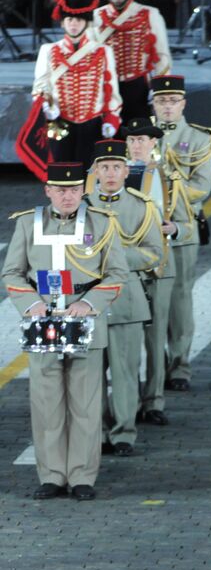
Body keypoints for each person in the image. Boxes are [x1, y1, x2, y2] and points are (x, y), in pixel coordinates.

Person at [2, 162, 128, 500]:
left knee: (86, 403)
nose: (67, 196)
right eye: (60, 189)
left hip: (85, 318)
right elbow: (12, 273)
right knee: (46, 403)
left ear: (83, 190)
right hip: (42, 323)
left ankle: (82, 476)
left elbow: (117, 272)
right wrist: (32, 304)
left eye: (73, 189)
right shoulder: (29, 223)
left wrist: (89, 304)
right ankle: (52, 475)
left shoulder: (102, 223)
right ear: (47, 191)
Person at [86, 139, 164, 456]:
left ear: (126, 169)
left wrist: (113, 259)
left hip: (125, 301)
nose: (111, 173)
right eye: (104, 167)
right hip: (87, 302)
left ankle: (123, 434)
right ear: (95, 171)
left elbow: (154, 255)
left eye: (117, 167)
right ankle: (100, 431)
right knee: (91, 374)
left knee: (124, 372)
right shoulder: (80, 205)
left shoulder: (141, 206)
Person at [151, 74, 211, 391]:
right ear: (153, 104)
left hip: (181, 228)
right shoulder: (139, 138)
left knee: (179, 301)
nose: (167, 107)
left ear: (183, 104)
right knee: (150, 303)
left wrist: (166, 187)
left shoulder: (199, 139)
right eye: (162, 101)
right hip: (145, 230)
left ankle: (179, 365)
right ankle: (154, 366)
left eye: (173, 101)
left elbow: (201, 189)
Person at [30, 0, 121, 168]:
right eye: (69, 19)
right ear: (62, 21)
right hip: (60, 121)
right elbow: (40, 85)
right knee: (60, 173)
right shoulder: (48, 50)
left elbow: (110, 89)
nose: (73, 24)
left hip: (92, 122)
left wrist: (111, 118)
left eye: (78, 20)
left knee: (89, 174)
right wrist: (45, 105)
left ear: (86, 22)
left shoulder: (103, 51)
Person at [123, 116, 175, 426]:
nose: (137, 145)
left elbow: (182, 216)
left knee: (155, 338)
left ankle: (153, 401)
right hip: (126, 267)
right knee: (123, 341)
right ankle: (124, 402)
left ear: (154, 142)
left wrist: (176, 228)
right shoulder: (112, 174)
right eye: (132, 140)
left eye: (143, 140)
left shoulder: (166, 175)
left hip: (157, 262)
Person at [93, 0, 172, 124]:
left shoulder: (150, 14)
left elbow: (162, 57)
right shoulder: (96, 17)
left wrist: (161, 91)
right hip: (105, 90)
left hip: (138, 88)